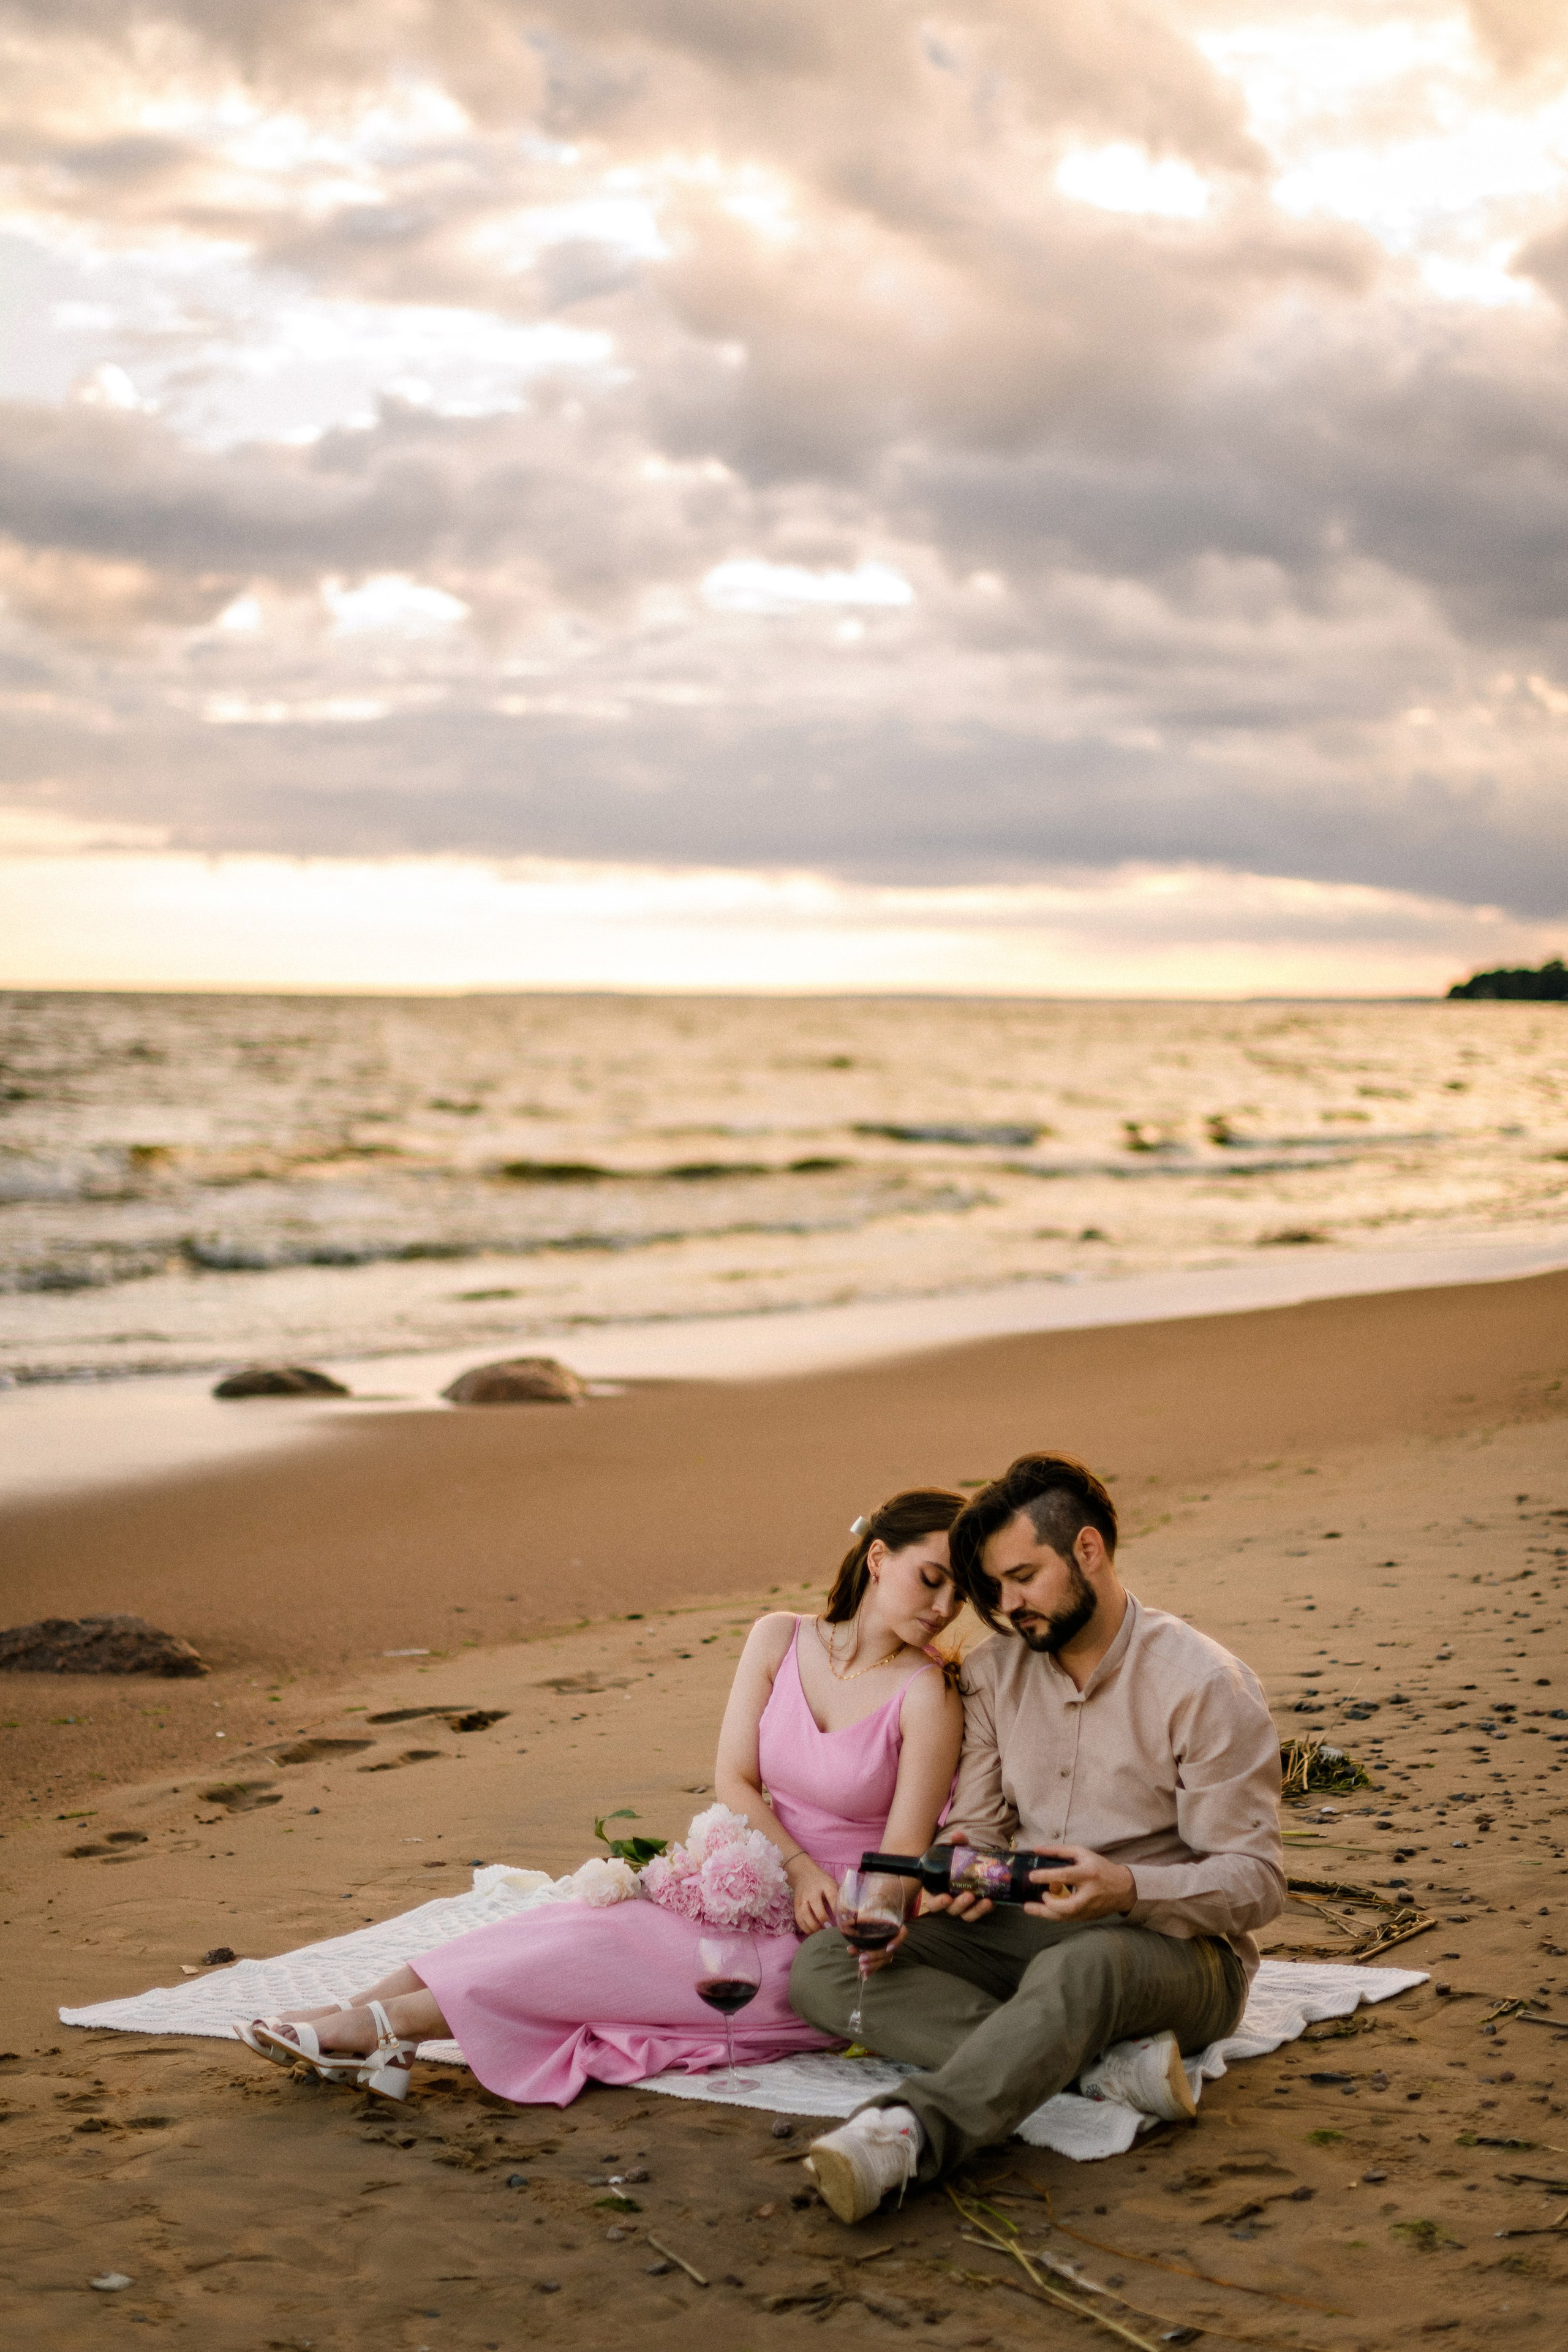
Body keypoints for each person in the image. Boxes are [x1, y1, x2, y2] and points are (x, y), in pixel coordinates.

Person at [236, 1487, 965, 2104]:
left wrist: (839, 1903)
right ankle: (352, 2016)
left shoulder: (926, 1693)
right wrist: (792, 1863)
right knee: (571, 1920)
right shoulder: (780, 1637)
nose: (943, 1606)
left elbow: (901, 1855)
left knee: (598, 1947)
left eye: (959, 1593)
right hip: (754, 1867)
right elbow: (734, 1780)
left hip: (821, 1931)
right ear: (878, 1559)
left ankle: (381, 2032)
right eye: (931, 1579)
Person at [791, 1450, 1286, 2223]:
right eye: (992, 1587)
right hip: (1027, 1924)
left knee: (1087, 1963)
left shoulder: (1202, 1685)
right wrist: (963, 1865)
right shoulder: (994, 1673)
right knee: (829, 1965)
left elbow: (1255, 1882)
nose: (1005, 1604)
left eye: (1023, 1577)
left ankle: (909, 2135)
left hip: (1176, 1952)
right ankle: (1092, 2070)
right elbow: (978, 1822)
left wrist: (1126, 1888)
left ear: (1087, 1551)